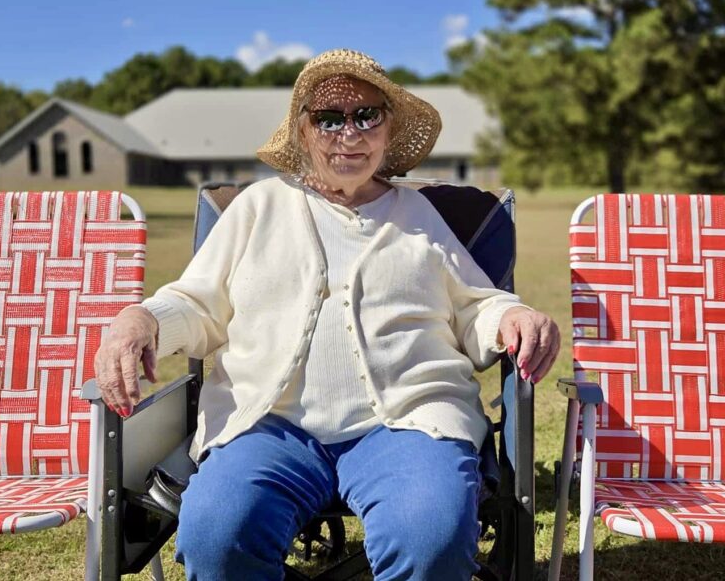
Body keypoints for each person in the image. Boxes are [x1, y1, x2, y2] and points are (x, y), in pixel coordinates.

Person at [95, 48, 560, 581]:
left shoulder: (419, 216)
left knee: (429, 541)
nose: (350, 133)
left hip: (408, 422)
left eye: (367, 116)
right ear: (303, 130)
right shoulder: (259, 207)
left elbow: (476, 306)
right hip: (269, 426)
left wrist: (511, 317)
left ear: (387, 131)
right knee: (217, 537)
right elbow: (195, 302)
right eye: (330, 118)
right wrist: (141, 320)